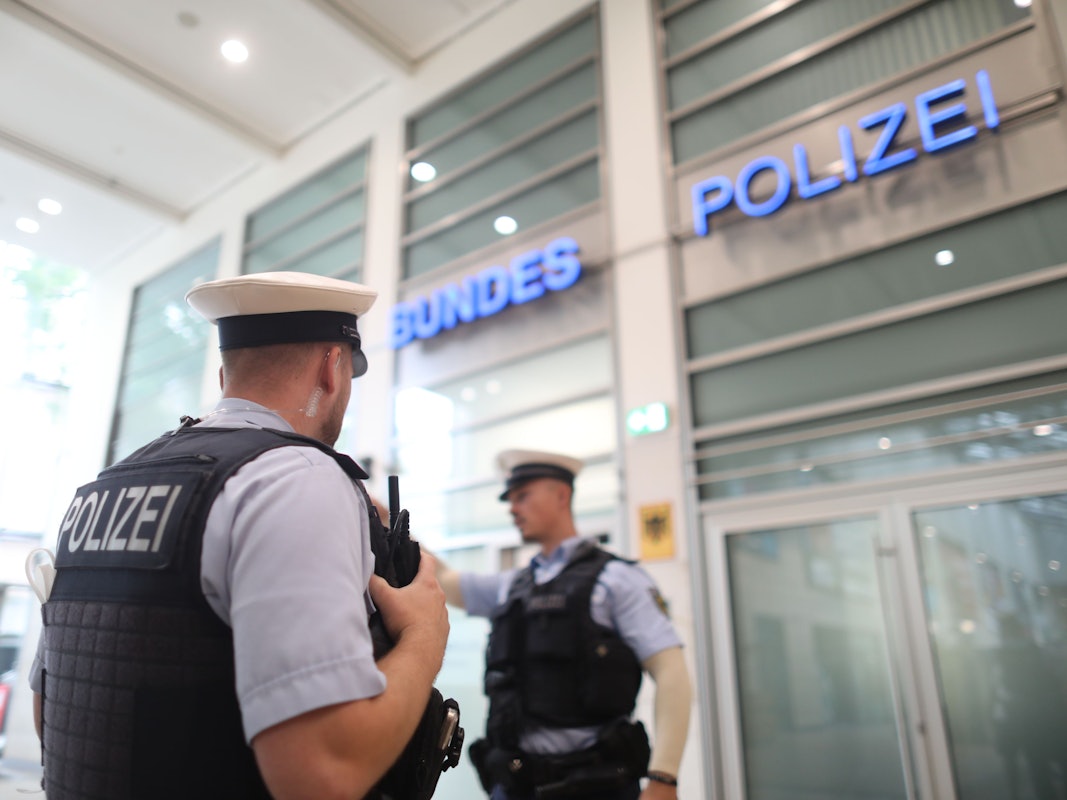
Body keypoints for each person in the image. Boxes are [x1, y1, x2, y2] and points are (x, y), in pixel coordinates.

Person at [28, 271, 450, 800]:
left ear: (227, 376)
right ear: (332, 367)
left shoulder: (105, 486)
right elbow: (323, 776)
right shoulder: (295, 477)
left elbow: (57, 712)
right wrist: (425, 637)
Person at [435, 450, 692, 800]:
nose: (512, 508)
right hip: (515, 785)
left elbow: (671, 672)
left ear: (562, 495)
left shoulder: (617, 580)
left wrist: (664, 778)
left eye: (522, 496)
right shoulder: (514, 586)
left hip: (595, 786)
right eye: (509, 500)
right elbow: (445, 579)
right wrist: (388, 524)